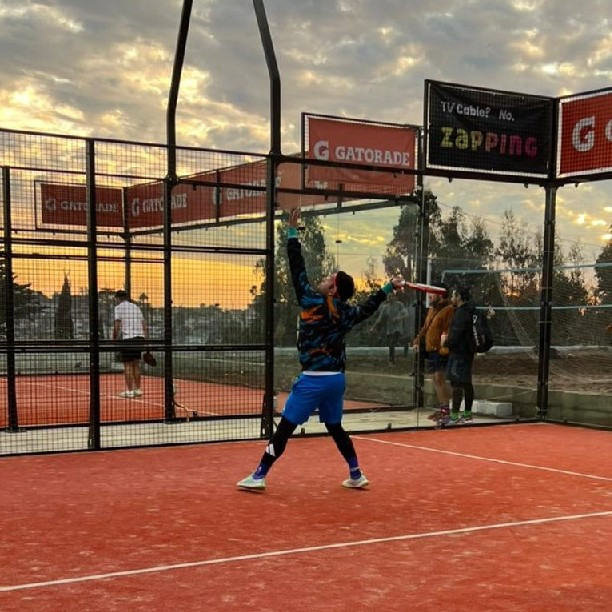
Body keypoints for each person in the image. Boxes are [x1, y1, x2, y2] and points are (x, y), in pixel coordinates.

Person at [237, 209, 404, 491]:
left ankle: (259, 475)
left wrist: (292, 233)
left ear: (333, 290)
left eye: (329, 278)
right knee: (334, 426)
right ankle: (356, 473)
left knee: (285, 427)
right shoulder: (346, 312)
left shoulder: (311, 300)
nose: (325, 277)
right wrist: (387, 287)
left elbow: (296, 268)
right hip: (336, 380)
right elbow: (368, 307)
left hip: (313, 380)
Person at [412, 283, 454, 422]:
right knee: (436, 379)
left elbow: (448, 330)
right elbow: (426, 327)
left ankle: (446, 411)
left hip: (440, 350)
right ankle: (443, 408)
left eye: (433, 293)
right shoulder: (432, 309)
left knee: (439, 378)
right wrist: (418, 339)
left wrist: (444, 348)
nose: (430, 295)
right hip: (432, 349)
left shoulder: (449, 310)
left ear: (440, 294)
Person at [442, 286, 476, 425]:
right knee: (466, 382)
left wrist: (446, 342)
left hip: (458, 352)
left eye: (454, 296)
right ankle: (467, 414)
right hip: (468, 351)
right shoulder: (472, 311)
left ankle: (454, 415)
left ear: (459, 297)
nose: (452, 298)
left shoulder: (461, 313)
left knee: (456, 382)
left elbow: (456, 334)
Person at [113, 290, 147, 398]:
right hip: (139, 338)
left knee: (127, 365)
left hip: (128, 338)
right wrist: (145, 339)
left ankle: (130, 390)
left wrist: (114, 338)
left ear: (117, 298)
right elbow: (143, 325)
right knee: (136, 364)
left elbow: (117, 324)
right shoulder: (136, 307)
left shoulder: (118, 308)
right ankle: (138, 389)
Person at [371, 292, 406, 363]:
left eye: (392, 296)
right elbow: (379, 319)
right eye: (389, 297)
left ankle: (393, 359)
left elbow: (405, 314)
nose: (390, 298)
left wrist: (397, 318)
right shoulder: (385, 308)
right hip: (390, 329)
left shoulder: (400, 305)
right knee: (391, 344)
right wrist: (373, 327)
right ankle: (391, 359)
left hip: (398, 328)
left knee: (393, 342)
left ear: (395, 297)